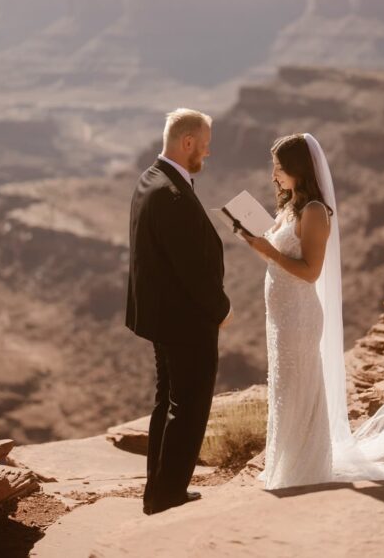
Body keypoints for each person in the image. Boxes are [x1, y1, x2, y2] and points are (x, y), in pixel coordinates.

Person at [241, 133, 384, 490]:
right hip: (281, 315)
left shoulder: (314, 212)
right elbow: (277, 258)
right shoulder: (289, 207)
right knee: (286, 385)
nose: (274, 177)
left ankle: (305, 466)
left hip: (299, 316)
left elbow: (310, 271)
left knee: (300, 383)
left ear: (298, 170)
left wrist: (269, 252)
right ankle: (284, 461)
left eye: (279, 169)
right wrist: (255, 241)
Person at [125, 108, 232, 513]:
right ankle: (166, 496)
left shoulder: (150, 179)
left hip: (162, 317)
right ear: (187, 143)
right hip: (186, 321)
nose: (208, 153)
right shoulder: (170, 194)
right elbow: (190, 267)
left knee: (168, 401)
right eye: (204, 146)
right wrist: (221, 308)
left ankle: (159, 489)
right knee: (189, 407)